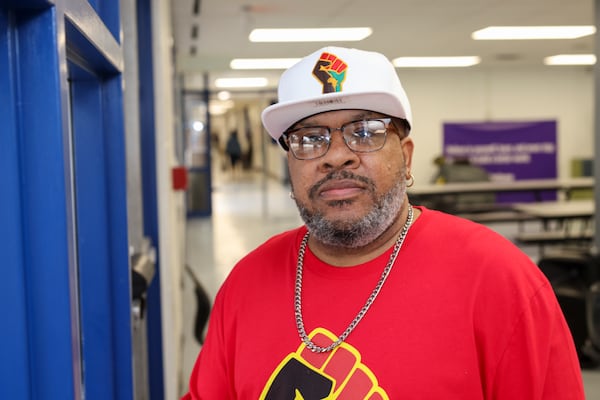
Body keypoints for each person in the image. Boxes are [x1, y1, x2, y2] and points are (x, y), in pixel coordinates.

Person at [182, 46, 584, 399]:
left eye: (364, 131)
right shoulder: (247, 281)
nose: (336, 156)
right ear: (290, 164)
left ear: (406, 157)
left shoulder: (499, 279)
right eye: (309, 138)